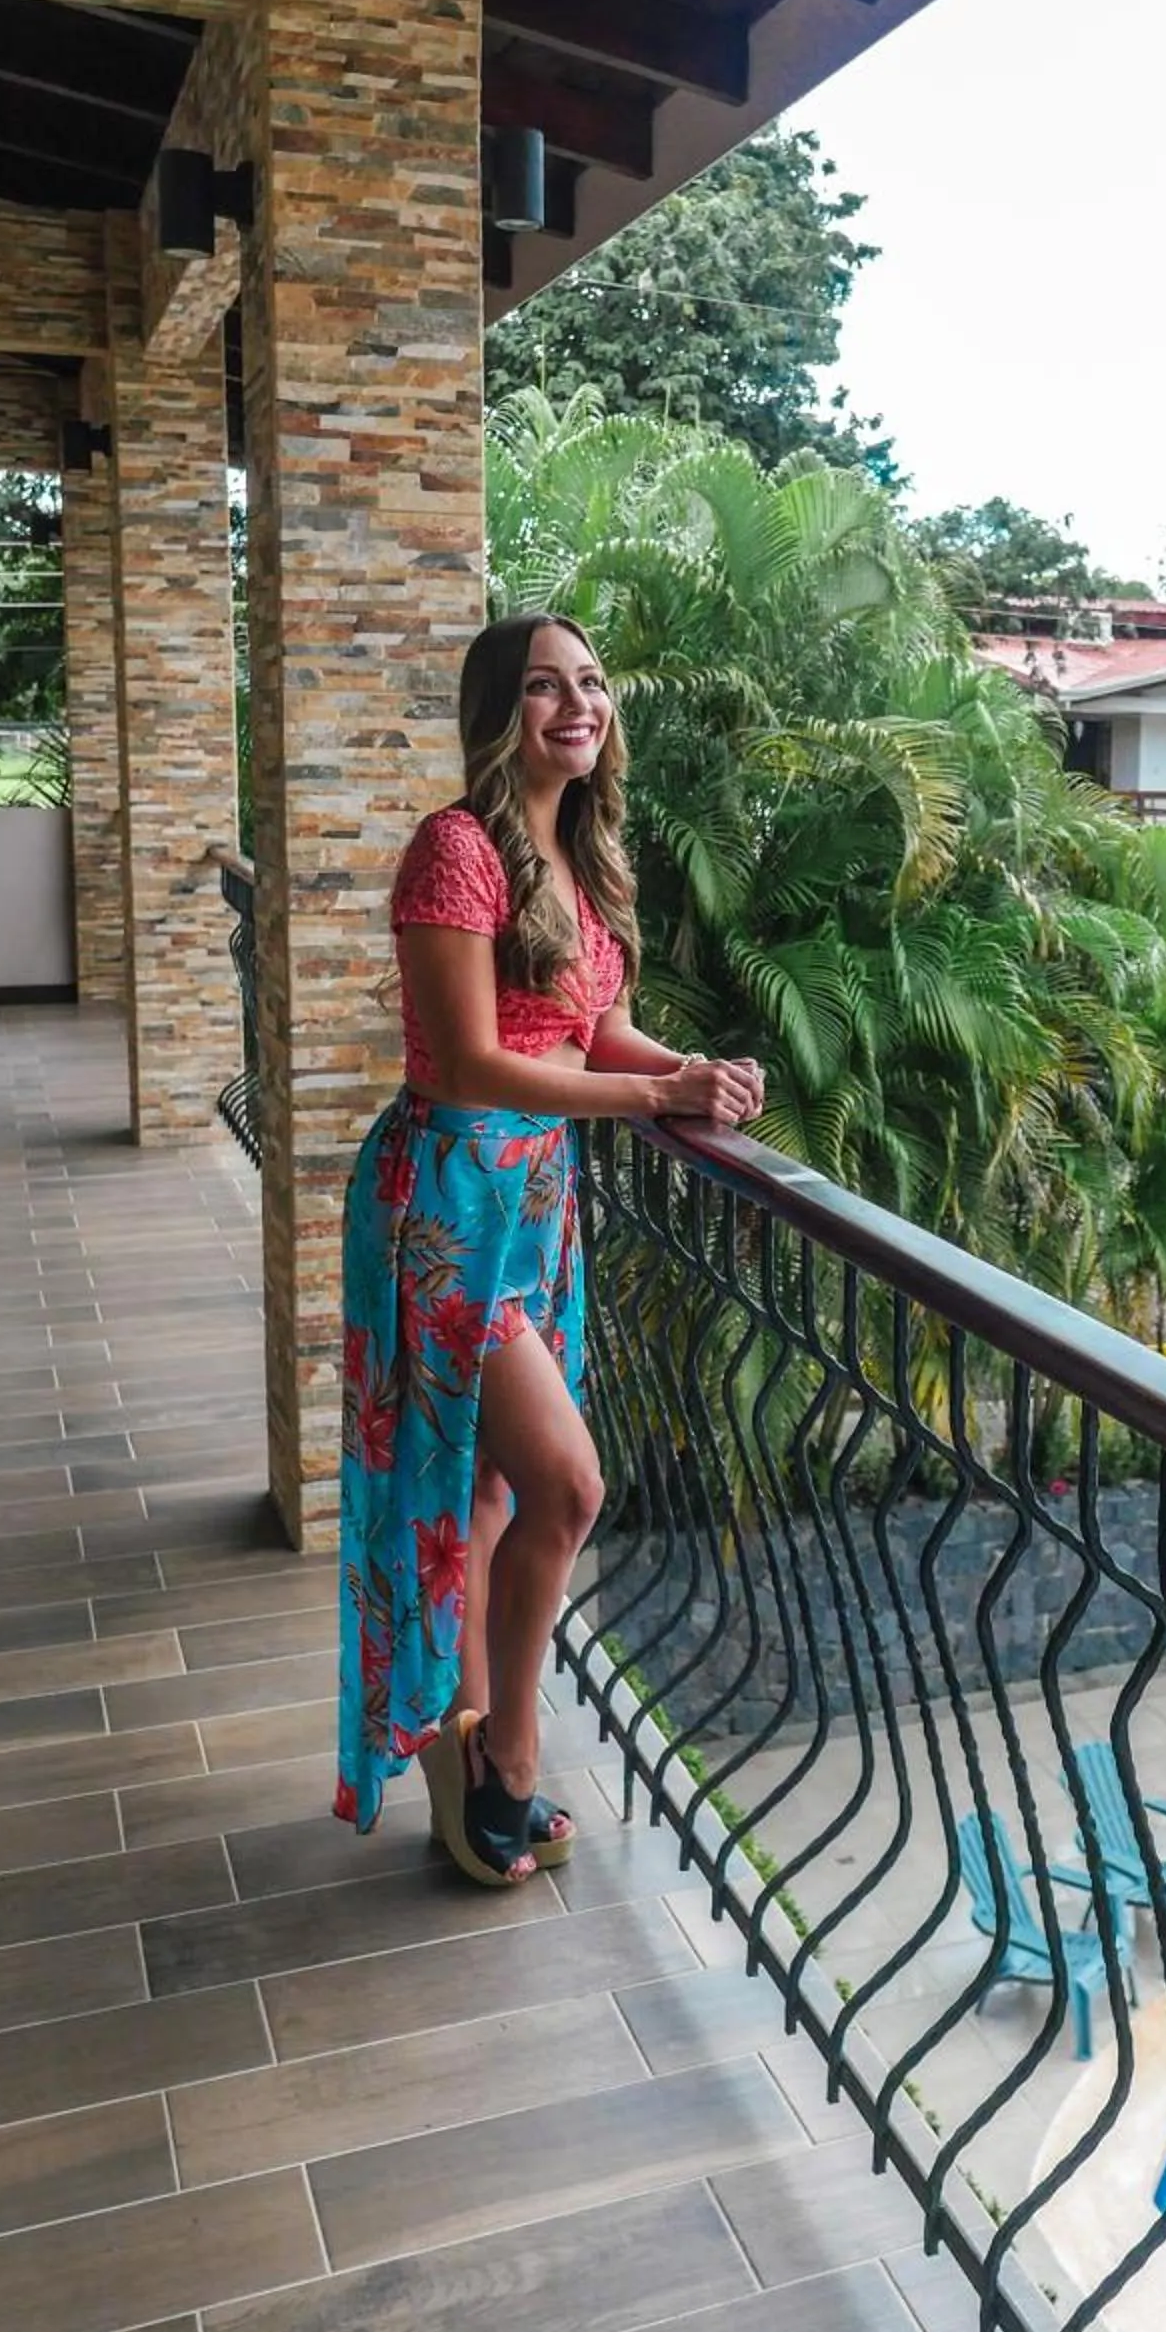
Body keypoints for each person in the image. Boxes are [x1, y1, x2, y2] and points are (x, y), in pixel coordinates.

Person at [333, 613, 762, 1887]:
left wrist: (689, 1071)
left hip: (534, 1200)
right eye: (542, 687)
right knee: (568, 1485)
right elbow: (470, 1059)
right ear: (497, 711)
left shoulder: (580, 854)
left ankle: (466, 1780)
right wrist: (651, 1103)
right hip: (449, 1201)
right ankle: (511, 1751)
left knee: (494, 1489)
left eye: (590, 683)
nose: (576, 704)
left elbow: (595, 1027)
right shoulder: (456, 850)